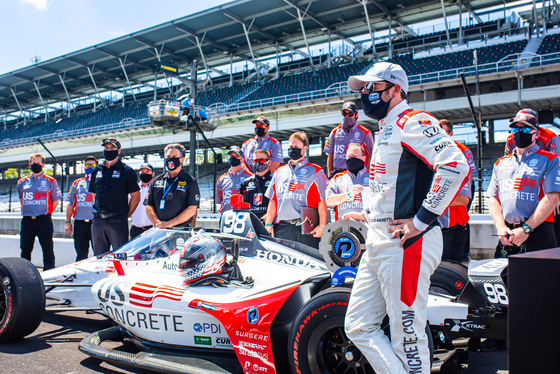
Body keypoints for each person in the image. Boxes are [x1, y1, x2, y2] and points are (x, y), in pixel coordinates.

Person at [344, 61, 470, 374]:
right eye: (364, 89)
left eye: (373, 88)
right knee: (358, 325)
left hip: (407, 244)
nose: (366, 95)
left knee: (408, 338)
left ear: (395, 89)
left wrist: (419, 221)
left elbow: (455, 166)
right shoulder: (386, 128)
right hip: (378, 241)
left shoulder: (413, 120)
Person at [487, 109, 560, 257]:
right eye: (516, 128)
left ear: (537, 134)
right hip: (508, 234)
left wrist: (526, 229)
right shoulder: (500, 163)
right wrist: (501, 228)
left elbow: (552, 197)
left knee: (543, 279)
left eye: (526, 128)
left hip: (538, 230)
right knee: (505, 278)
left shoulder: (551, 158)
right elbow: (493, 198)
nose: (520, 132)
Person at [264, 131, 328, 249]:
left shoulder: (315, 171)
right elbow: (273, 201)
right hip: (282, 228)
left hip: (306, 228)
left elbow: (322, 201)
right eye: (290, 147)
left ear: (304, 149)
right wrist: (268, 224)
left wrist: (322, 226)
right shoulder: (279, 171)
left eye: (296, 147)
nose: (292, 150)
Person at [89, 138, 140, 255]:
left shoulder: (127, 171)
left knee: (120, 256)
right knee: (99, 257)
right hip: (98, 221)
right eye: (106, 148)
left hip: (117, 220)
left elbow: (136, 197)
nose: (109, 150)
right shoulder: (97, 170)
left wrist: (125, 216)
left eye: (112, 148)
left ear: (119, 150)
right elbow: (94, 194)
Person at [17, 153, 62, 270]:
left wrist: (43, 210)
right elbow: (22, 200)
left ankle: (49, 274)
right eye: (33, 163)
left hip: (44, 219)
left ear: (43, 165)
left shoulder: (50, 181)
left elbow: (55, 201)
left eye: (38, 163)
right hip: (27, 220)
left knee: (47, 249)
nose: (36, 165)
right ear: (29, 164)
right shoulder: (22, 182)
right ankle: (24, 273)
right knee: (25, 249)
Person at [439, 119, 475, 262]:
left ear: (451, 133)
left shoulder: (462, 150)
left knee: (457, 263)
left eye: (444, 132)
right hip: (439, 221)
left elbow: (470, 179)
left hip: (456, 219)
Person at [145, 144, 200, 228]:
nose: (170, 158)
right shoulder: (157, 181)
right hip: (159, 229)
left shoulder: (190, 181)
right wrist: (157, 223)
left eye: (174, 156)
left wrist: (169, 224)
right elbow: (148, 206)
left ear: (182, 159)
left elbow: (192, 209)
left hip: (180, 231)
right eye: (168, 156)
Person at [324, 102, 374, 178]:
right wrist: (330, 175)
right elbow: (330, 154)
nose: (347, 116)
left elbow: (371, 155)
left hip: (356, 174)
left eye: (350, 114)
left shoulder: (365, 132)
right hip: (337, 173)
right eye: (344, 114)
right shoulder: (334, 132)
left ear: (356, 115)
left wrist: (366, 172)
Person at [326, 143, 370, 221]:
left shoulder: (373, 177)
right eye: (349, 157)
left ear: (363, 158)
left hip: (368, 226)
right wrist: (349, 194)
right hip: (344, 227)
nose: (352, 160)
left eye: (355, 156)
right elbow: (328, 201)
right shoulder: (337, 178)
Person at [65, 156, 98, 261]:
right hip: (80, 223)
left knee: (99, 253)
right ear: (84, 167)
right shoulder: (77, 183)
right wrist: (67, 221)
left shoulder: (100, 182)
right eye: (87, 165)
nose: (89, 167)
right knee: (81, 254)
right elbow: (70, 204)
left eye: (92, 165)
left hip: (96, 222)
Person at [216, 146, 252, 213]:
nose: (233, 158)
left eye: (236, 156)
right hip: (226, 215)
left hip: (243, 215)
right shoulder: (221, 179)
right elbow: (219, 201)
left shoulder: (250, 177)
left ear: (242, 159)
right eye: (231, 156)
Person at [239, 149, 273, 220]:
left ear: (269, 162)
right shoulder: (246, 183)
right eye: (255, 161)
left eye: (262, 160)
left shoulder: (275, 180)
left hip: (270, 223)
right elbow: (241, 204)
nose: (258, 163)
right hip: (250, 222)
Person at [130, 163, 155, 239]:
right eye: (142, 172)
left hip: (151, 229)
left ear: (153, 174)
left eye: (147, 172)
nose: (145, 174)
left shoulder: (156, 189)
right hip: (136, 229)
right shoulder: (134, 189)